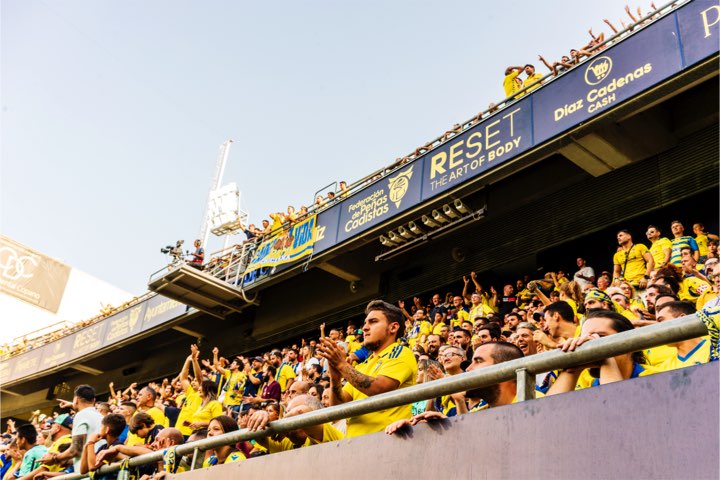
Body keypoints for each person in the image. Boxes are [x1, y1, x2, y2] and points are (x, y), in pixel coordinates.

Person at [317, 300, 417, 438]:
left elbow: (378, 388)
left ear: (393, 328)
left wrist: (341, 364)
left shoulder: (401, 352)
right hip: (355, 444)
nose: (364, 328)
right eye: (365, 323)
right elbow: (337, 408)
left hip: (387, 439)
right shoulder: (362, 365)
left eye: (373, 321)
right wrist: (335, 377)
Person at [548, 310, 658, 394]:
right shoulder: (586, 382)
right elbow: (547, 416)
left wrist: (603, 354)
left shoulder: (655, 377)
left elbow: (619, 412)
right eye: (584, 339)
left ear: (629, 343)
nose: (588, 345)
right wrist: (572, 368)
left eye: (600, 336)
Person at [247, 394, 344, 452]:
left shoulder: (325, 432)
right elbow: (258, 435)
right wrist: (260, 415)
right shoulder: (288, 442)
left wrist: (283, 423)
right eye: (286, 412)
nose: (287, 417)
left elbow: (301, 411)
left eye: (291, 413)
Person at [40, 385, 103, 473]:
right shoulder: (100, 416)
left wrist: (55, 459)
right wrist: (66, 460)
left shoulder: (81, 415)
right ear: (94, 400)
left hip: (88, 474)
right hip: (98, 470)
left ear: (76, 399)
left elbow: (76, 450)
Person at [654, 301, 710, 372]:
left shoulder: (715, 349)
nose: (656, 328)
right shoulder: (664, 369)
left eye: (661, 320)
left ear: (682, 319)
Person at [19, 415, 72, 480]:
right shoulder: (70, 440)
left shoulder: (62, 441)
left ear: (57, 428)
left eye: (52, 427)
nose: (50, 430)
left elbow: (44, 468)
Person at [78, 413, 126, 478]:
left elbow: (92, 466)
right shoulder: (103, 447)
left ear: (107, 430)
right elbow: (83, 470)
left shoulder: (115, 447)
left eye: (101, 426)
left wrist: (91, 443)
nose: (99, 429)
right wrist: (86, 445)